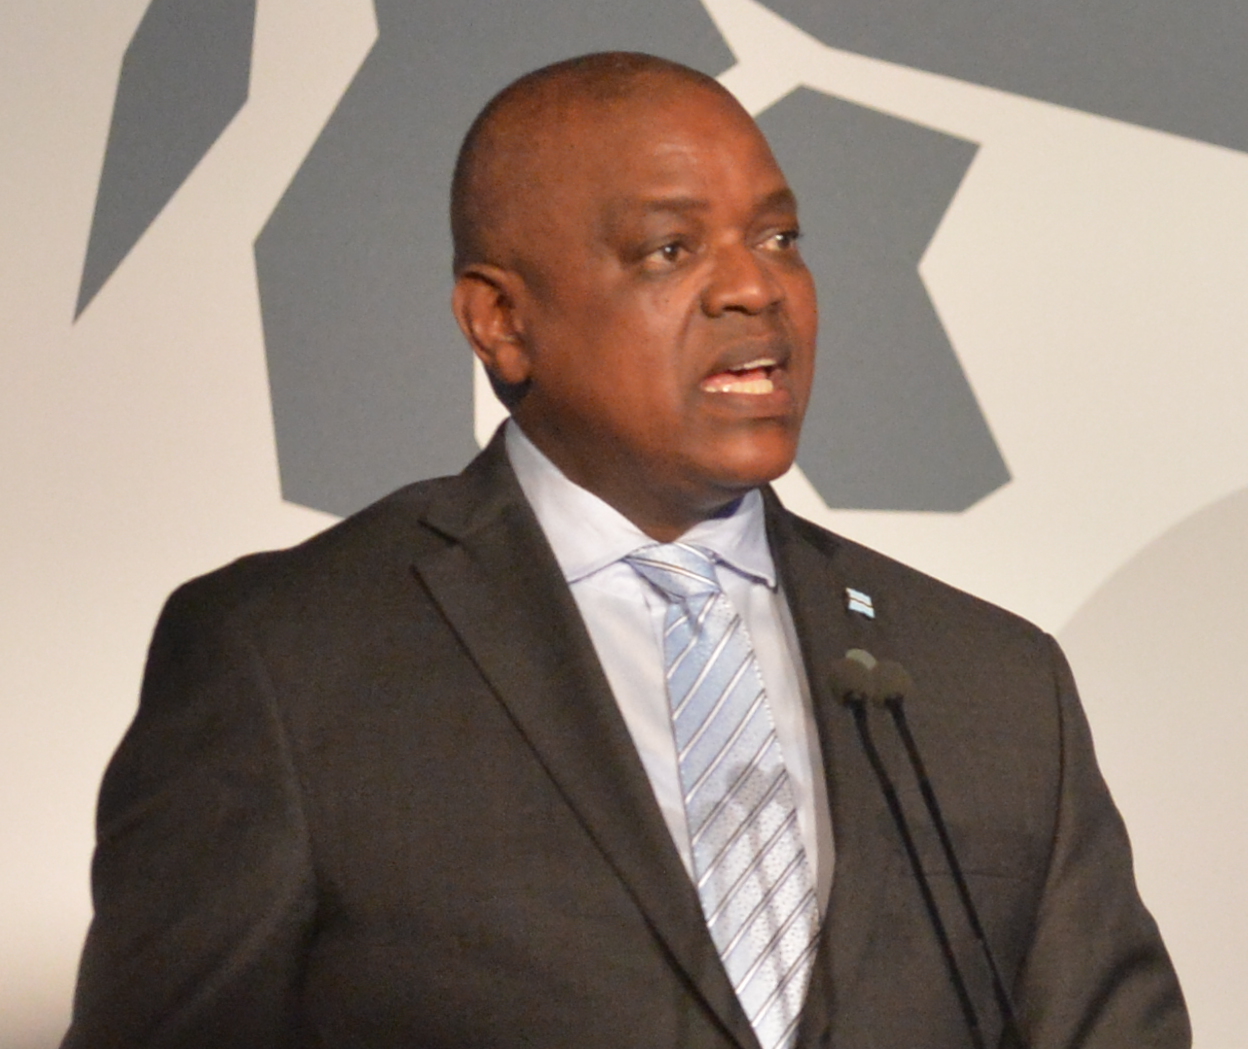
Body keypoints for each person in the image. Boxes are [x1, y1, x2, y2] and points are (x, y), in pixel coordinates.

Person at [62, 52, 1189, 1049]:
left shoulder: (993, 685)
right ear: (501, 320)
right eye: (669, 248)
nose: (755, 287)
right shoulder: (286, 661)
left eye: (779, 237)